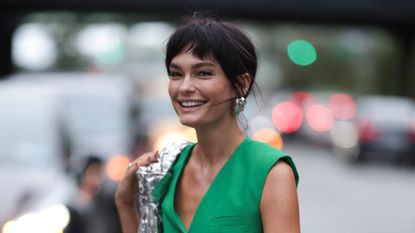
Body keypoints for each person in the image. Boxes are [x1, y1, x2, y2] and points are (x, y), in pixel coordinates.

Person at [115, 14, 300, 233]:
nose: (184, 87)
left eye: (203, 73)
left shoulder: (270, 172)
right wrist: (125, 203)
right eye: (176, 74)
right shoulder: (166, 169)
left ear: (241, 83)